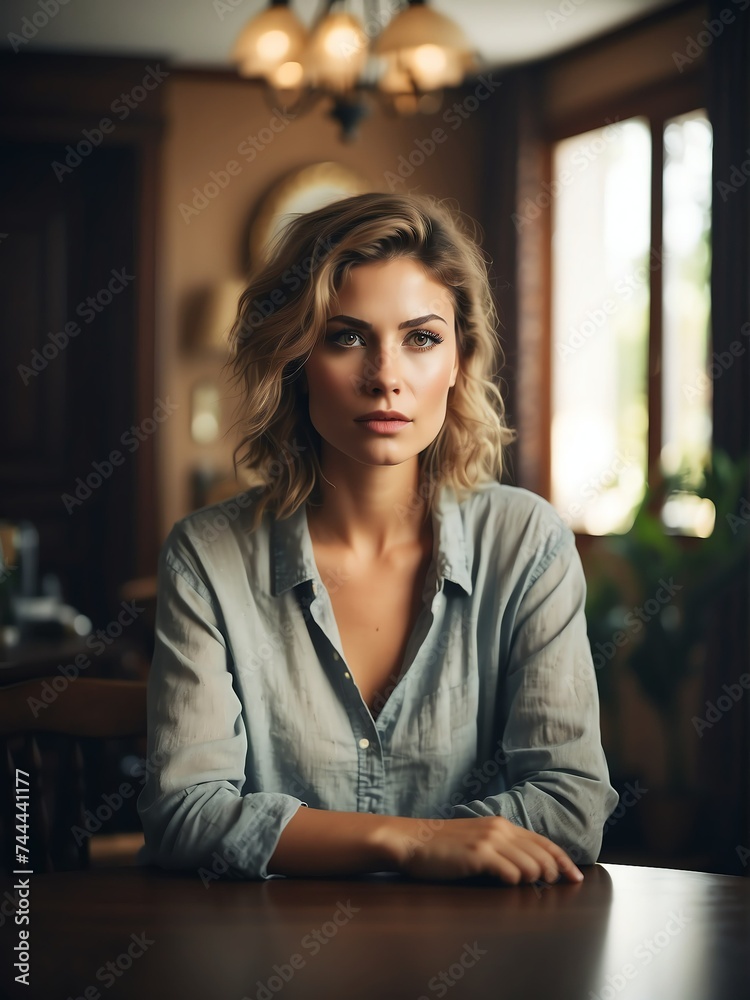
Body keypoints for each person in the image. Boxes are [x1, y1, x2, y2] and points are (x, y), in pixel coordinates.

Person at [137, 192, 619, 885]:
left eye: (420, 338)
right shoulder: (207, 557)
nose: (386, 377)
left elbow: (570, 808)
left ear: (460, 360)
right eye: (346, 336)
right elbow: (186, 813)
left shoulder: (526, 542)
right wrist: (414, 841)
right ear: (297, 359)